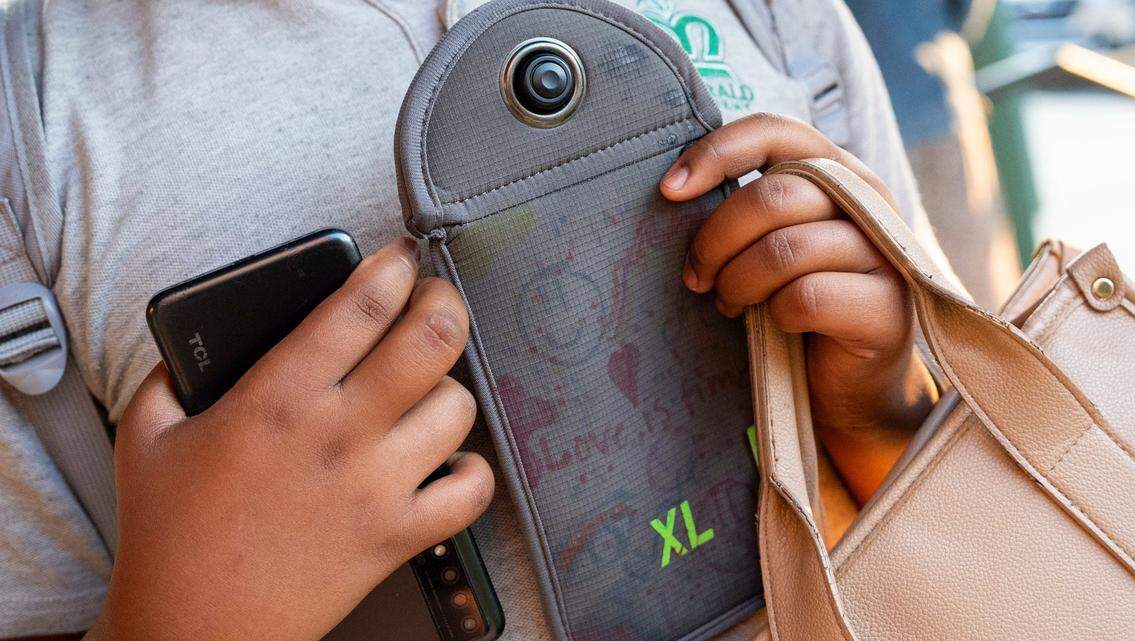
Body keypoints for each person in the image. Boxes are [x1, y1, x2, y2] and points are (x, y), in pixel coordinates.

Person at [0, 1, 950, 639]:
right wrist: (187, 614)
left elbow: (979, 510)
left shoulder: (783, 16)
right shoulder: (34, 111)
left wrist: (883, 412)